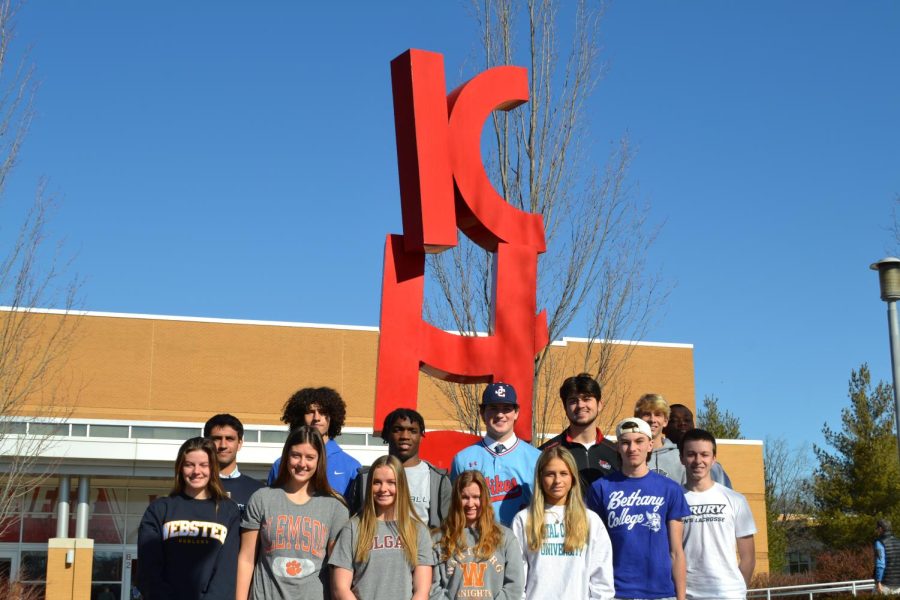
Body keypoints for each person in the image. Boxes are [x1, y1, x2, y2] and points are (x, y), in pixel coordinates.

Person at [236, 426, 350, 600]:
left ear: (320, 460)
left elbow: (338, 572)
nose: (302, 464)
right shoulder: (262, 499)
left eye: (310, 457)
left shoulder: (335, 507)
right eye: (296, 455)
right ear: (286, 456)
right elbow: (246, 558)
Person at [588, 418, 690, 600]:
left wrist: (681, 597)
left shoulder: (670, 489)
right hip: (614, 592)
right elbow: (592, 548)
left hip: (661, 593)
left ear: (650, 445)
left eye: (639, 441)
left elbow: (676, 551)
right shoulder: (600, 488)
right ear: (618, 447)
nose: (632, 448)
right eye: (625, 443)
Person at [137, 437, 240, 600]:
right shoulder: (160, 509)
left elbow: (227, 572)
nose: (196, 471)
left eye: (204, 465)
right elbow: (148, 570)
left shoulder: (228, 510)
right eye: (189, 465)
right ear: (180, 468)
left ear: (213, 468)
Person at [512, 446, 614, 599]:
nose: (557, 480)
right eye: (550, 474)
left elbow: (602, 579)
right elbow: (517, 578)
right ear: (540, 477)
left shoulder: (590, 520)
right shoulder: (524, 519)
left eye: (564, 473)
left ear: (572, 477)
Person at [331, 455, 434, 600]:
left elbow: (422, 590)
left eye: (391, 482)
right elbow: (340, 588)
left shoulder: (418, 531)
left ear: (401, 485)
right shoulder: (353, 528)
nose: (383, 489)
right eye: (377, 482)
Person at [679, 429, 755, 600]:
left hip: (729, 594)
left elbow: (748, 557)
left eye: (704, 454)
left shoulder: (735, 500)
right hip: (687, 594)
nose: (698, 461)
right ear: (682, 458)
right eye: (691, 454)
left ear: (714, 459)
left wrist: (738, 590)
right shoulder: (673, 500)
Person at [450, 382, 540, 526]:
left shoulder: (537, 458)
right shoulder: (462, 459)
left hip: (523, 544)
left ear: (516, 413)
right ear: (482, 413)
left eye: (506, 409)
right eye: (493, 408)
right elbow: (454, 511)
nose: (500, 415)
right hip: (475, 542)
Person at [430, 470, 525, 600]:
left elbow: (514, 586)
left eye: (476, 497)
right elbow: (433, 587)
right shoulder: (439, 539)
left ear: (485, 499)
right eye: (464, 497)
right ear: (456, 500)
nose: (470, 504)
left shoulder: (506, 538)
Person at [349, 408, 451, 528]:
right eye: (398, 430)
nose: (405, 436)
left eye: (412, 431)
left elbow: (448, 529)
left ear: (421, 436)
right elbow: (355, 523)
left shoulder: (438, 480)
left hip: (421, 546)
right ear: (386, 434)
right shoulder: (365, 478)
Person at [267, 387, 361, 499]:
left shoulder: (351, 467)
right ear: (300, 416)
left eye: (323, 412)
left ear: (333, 416)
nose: (316, 418)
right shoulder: (282, 465)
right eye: (310, 412)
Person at [540, 373, 620, 491]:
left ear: (599, 405)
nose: (580, 405)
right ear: (565, 407)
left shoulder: (616, 454)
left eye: (586, 399)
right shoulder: (546, 453)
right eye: (573, 401)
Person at [204, 413, 263, 515]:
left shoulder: (259, 491)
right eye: (217, 439)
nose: (223, 445)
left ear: (239, 444)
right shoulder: (195, 487)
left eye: (229, 439)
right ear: (206, 443)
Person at [664, 404, 732, 488]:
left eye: (687, 420)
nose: (682, 423)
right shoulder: (653, 458)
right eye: (674, 420)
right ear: (664, 425)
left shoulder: (714, 468)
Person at [635, 393, 686, 483]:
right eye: (647, 414)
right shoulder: (630, 455)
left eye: (658, 415)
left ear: (665, 421)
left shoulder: (679, 457)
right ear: (637, 419)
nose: (652, 420)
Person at [875, 519, 900, 595]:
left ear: (881, 529)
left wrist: (878, 581)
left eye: (877, 528)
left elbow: (880, 564)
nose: (876, 531)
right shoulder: (898, 542)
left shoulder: (879, 542)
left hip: (885, 584)